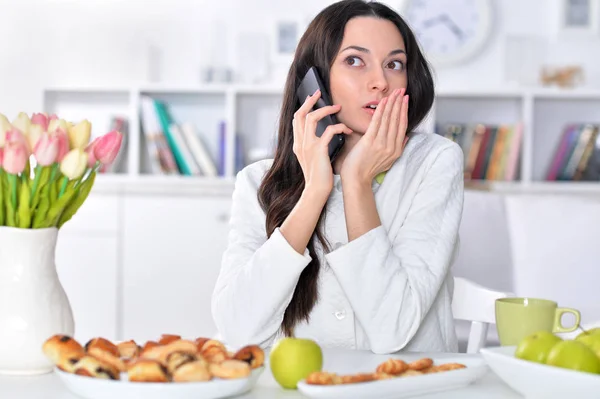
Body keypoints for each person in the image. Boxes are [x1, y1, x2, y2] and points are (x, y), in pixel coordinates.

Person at [211, 0, 464, 354]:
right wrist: (315, 191)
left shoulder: (435, 162)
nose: (381, 82)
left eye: (394, 64)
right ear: (314, 82)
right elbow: (238, 330)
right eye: (355, 61)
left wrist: (357, 181)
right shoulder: (257, 181)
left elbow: (393, 328)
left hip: (404, 387)